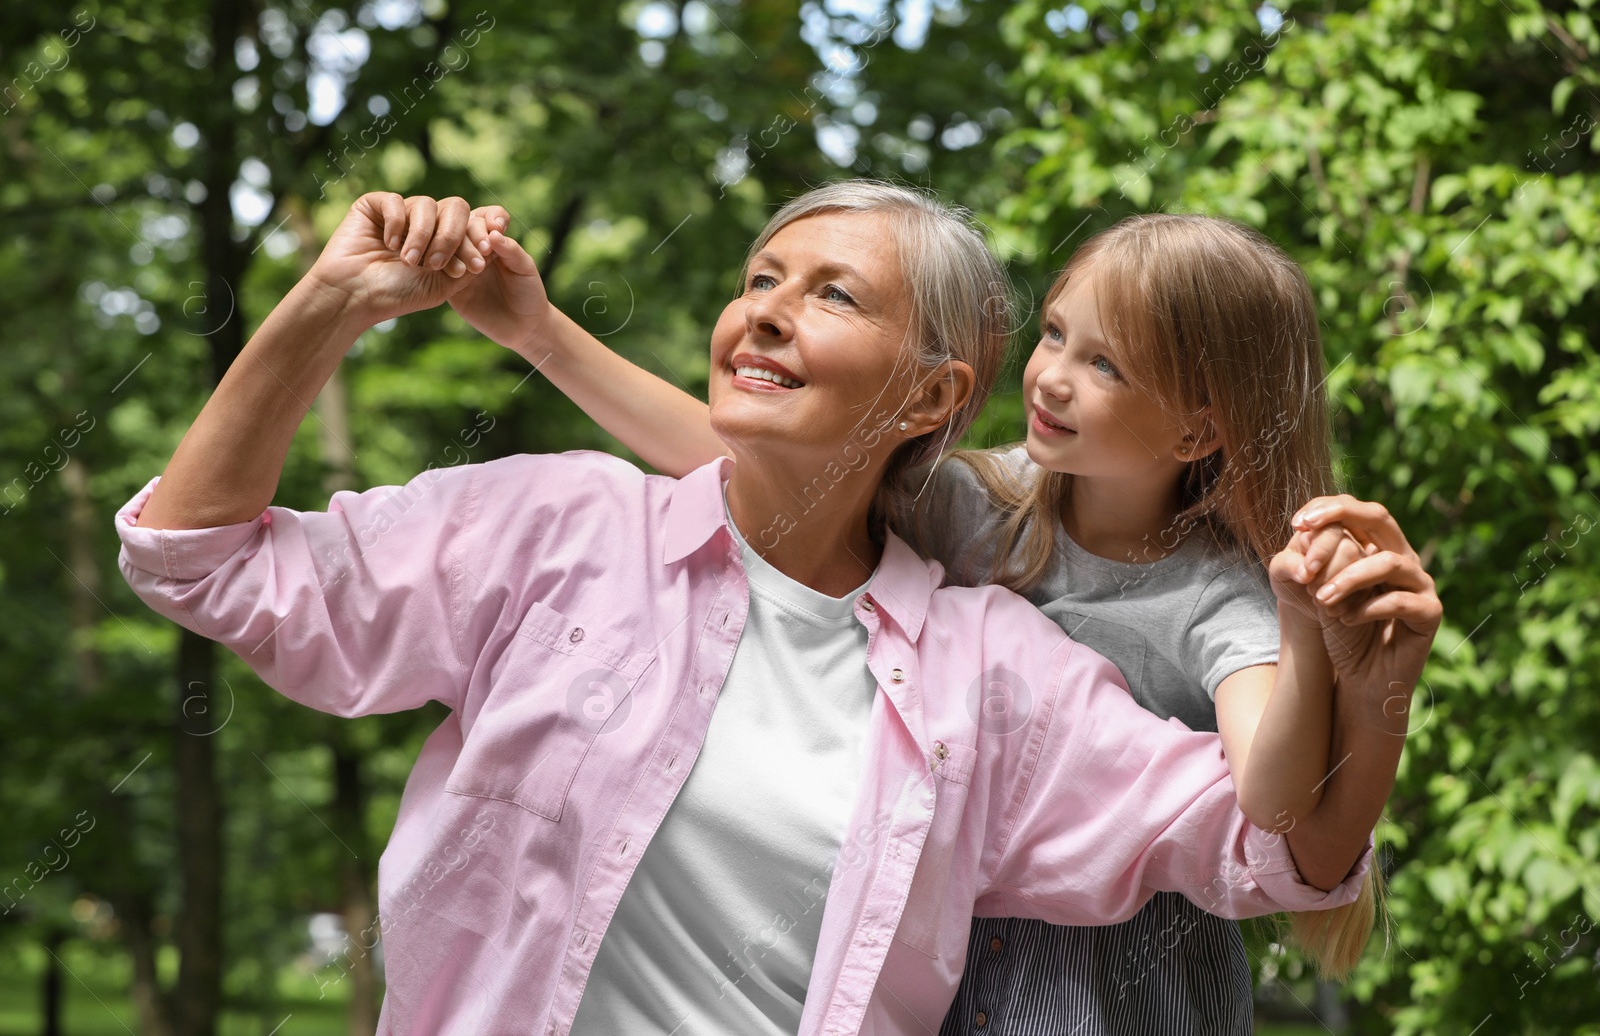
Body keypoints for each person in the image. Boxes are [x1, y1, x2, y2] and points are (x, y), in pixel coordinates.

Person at [116, 181, 1435, 1036]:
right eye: (758, 277)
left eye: (831, 293)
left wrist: (1364, 685)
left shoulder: (999, 666)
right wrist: (339, 302)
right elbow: (203, 559)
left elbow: (1278, 842)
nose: (764, 312)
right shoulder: (567, 529)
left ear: (928, 397)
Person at [512, 204, 1426, 1033]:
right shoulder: (980, 504)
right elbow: (738, 462)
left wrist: (1304, 629)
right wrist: (537, 330)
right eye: (1056, 335)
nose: (1052, 378)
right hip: (941, 972)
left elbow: (1273, 804)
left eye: (1103, 364)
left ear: (1196, 431)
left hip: (1117, 996)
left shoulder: (1216, 599)